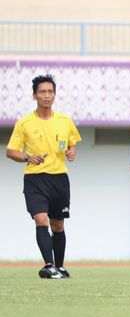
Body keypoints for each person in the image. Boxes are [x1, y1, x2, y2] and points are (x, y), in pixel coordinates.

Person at [5, 74, 82, 279]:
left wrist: (72, 152)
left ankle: (60, 267)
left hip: (59, 178)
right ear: (34, 95)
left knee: (58, 225)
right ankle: (49, 265)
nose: (46, 96)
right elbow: (11, 151)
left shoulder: (65, 121)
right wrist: (28, 157)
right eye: (42, 92)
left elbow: (72, 143)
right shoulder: (24, 123)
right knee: (41, 220)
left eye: (50, 92)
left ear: (54, 95)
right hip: (35, 179)